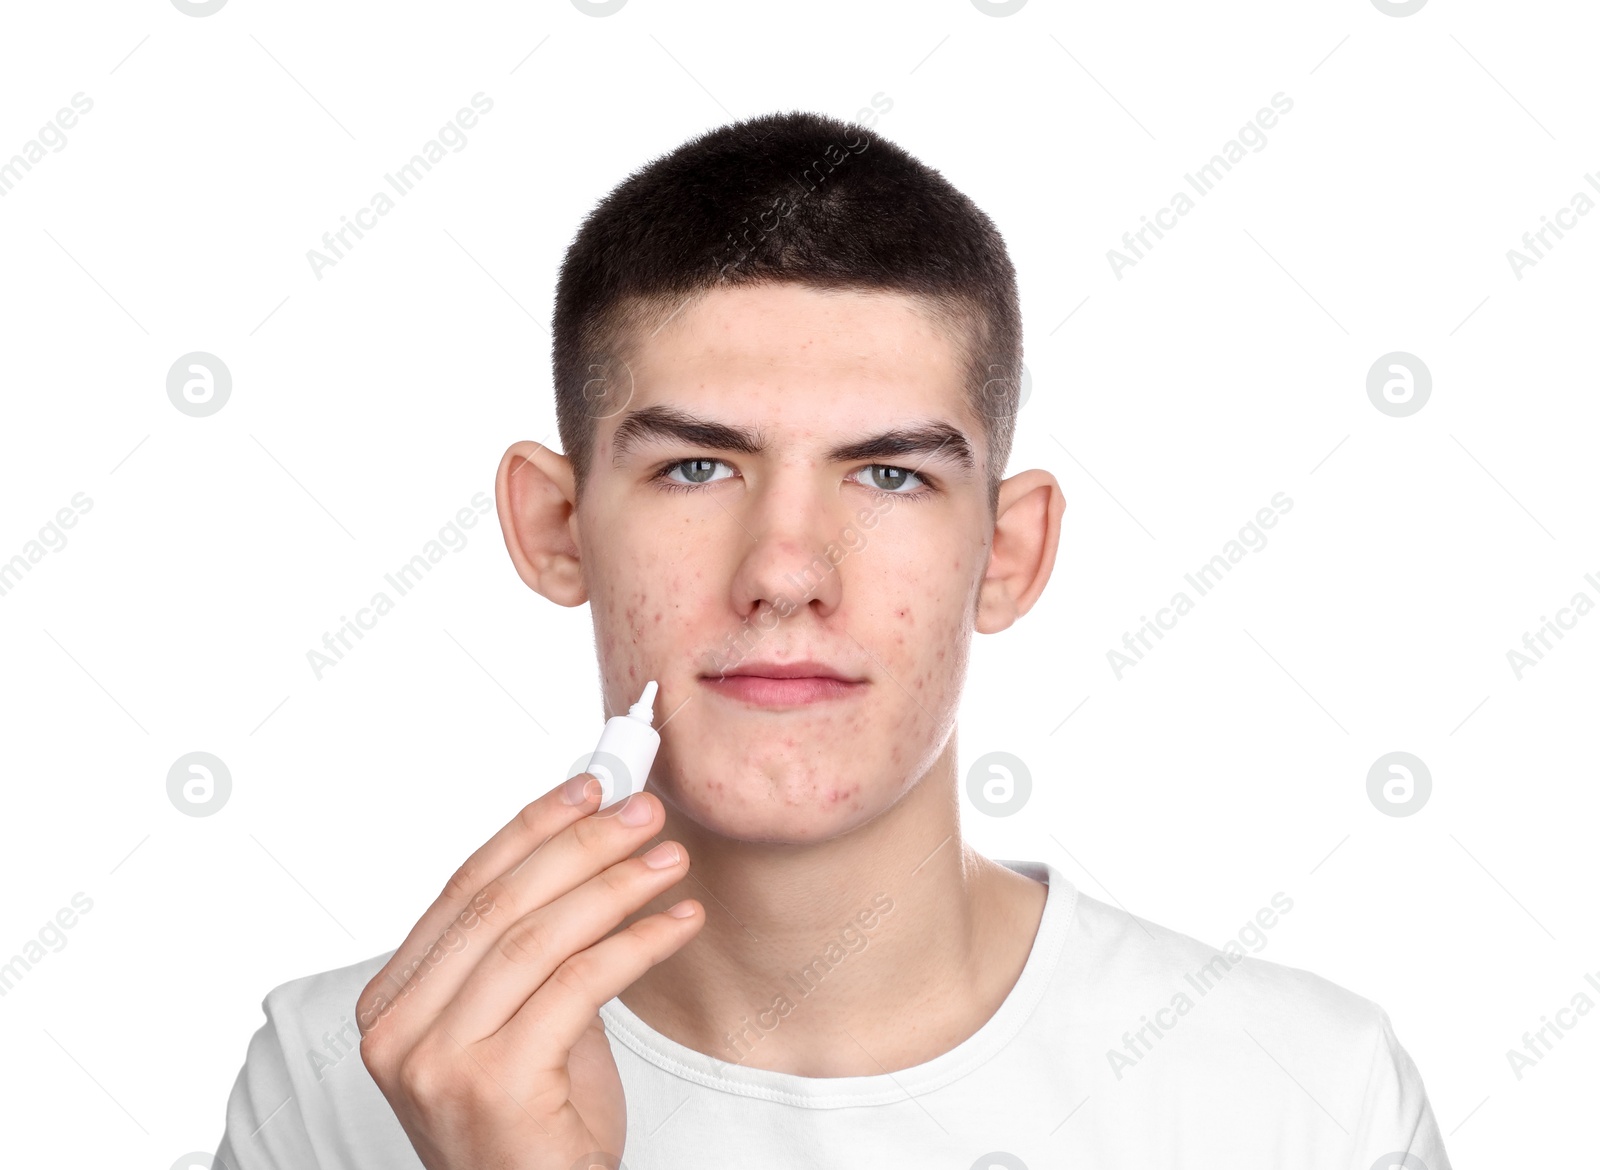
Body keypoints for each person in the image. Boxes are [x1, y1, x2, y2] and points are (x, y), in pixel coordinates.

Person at [214, 110, 1453, 1170]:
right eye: (697, 467)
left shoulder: (1306, 1103)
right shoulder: (345, 1082)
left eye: (890, 478)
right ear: (555, 528)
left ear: (1007, 554)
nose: (785, 573)